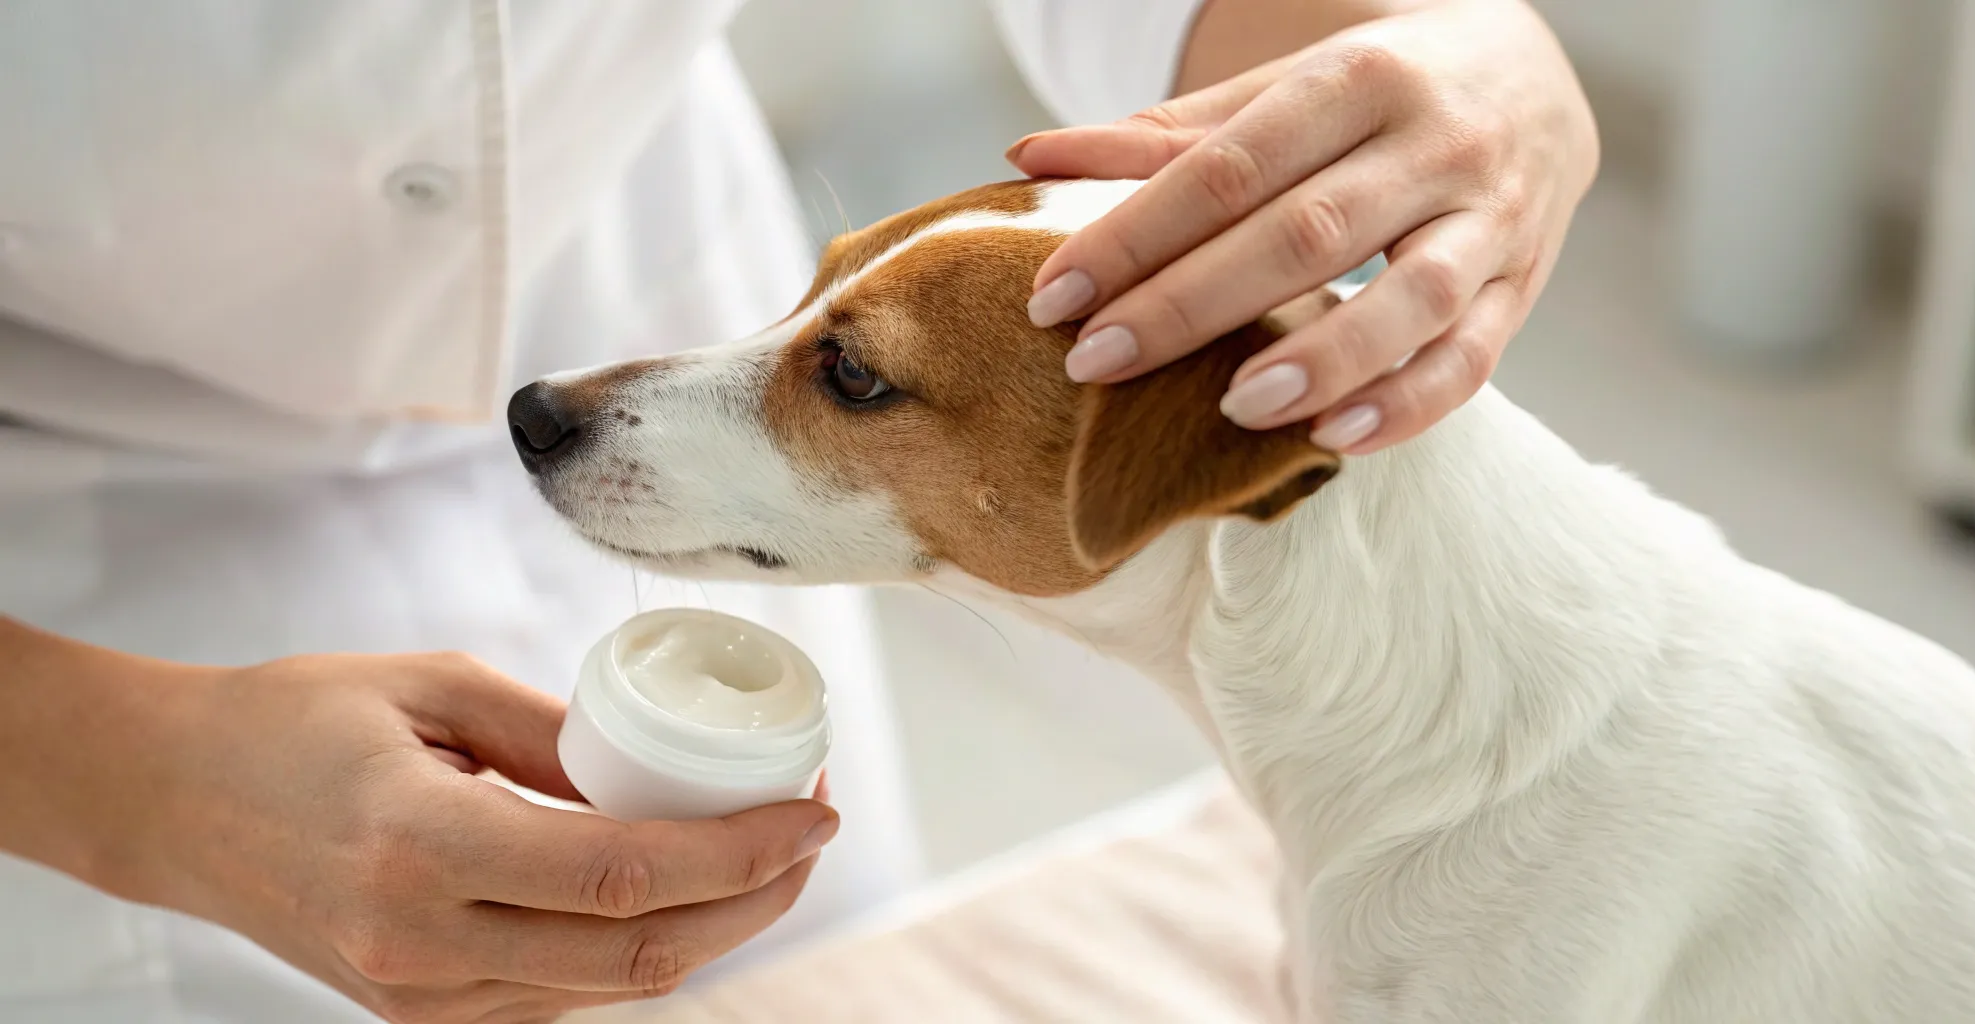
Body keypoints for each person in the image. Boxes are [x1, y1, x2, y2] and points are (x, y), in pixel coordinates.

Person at [0, 0, 1597, 1020]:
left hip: (631, 264)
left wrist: (1425, 53)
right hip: (71, 563)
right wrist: (131, 786)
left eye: (848, 370)